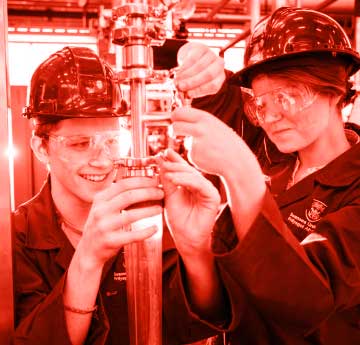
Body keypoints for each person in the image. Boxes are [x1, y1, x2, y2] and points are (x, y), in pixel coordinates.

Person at [11, 45, 243, 345]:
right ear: (41, 147)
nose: (103, 159)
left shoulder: (146, 219)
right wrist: (88, 259)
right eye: (81, 144)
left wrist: (195, 249)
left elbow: (199, 322)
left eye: (112, 141)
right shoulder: (15, 238)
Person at [170, 7, 360, 345]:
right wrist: (201, 68)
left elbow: (304, 301)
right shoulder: (271, 152)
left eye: (287, 96)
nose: (271, 117)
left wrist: (243, 175)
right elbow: (220, 100)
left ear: (334, 91)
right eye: (261, 103)